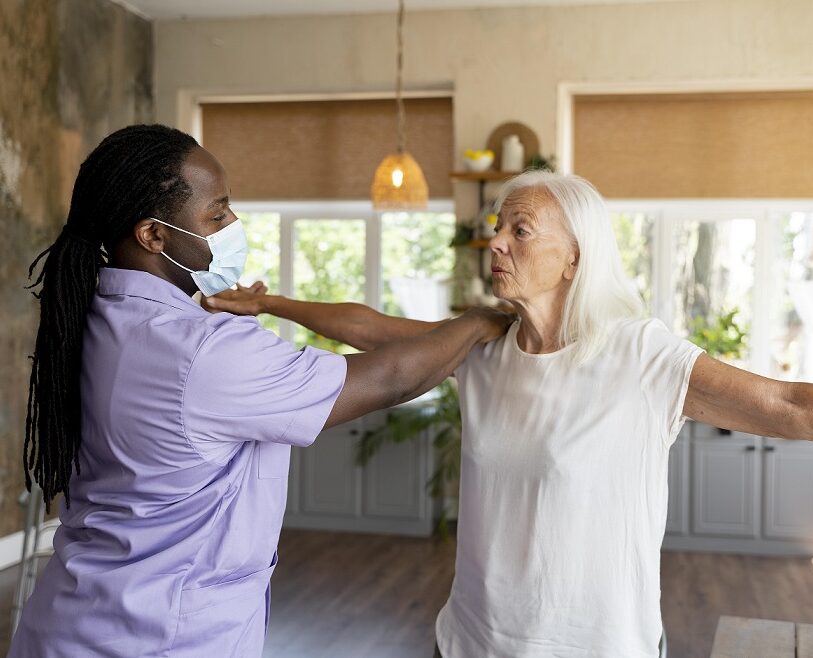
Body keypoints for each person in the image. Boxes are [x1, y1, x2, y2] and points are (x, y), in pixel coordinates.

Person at [207, 170, 813, 658]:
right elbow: (376, 329)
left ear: (576, 256)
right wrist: (270, 301)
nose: (496, 245)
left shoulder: (640, 356)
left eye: (521, 229)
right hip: (471, 642)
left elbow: (795, 407)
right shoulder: (481, 348)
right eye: (496, 228)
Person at [10, 124, 511, 658]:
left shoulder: (94, 318)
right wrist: (479, 322)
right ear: (153, 236)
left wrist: (272, 304)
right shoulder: (201, 352)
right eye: (217, 213)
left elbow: (372, 336)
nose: (234, 225)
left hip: (72, 620)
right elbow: (389, 377)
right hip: (156, 639)